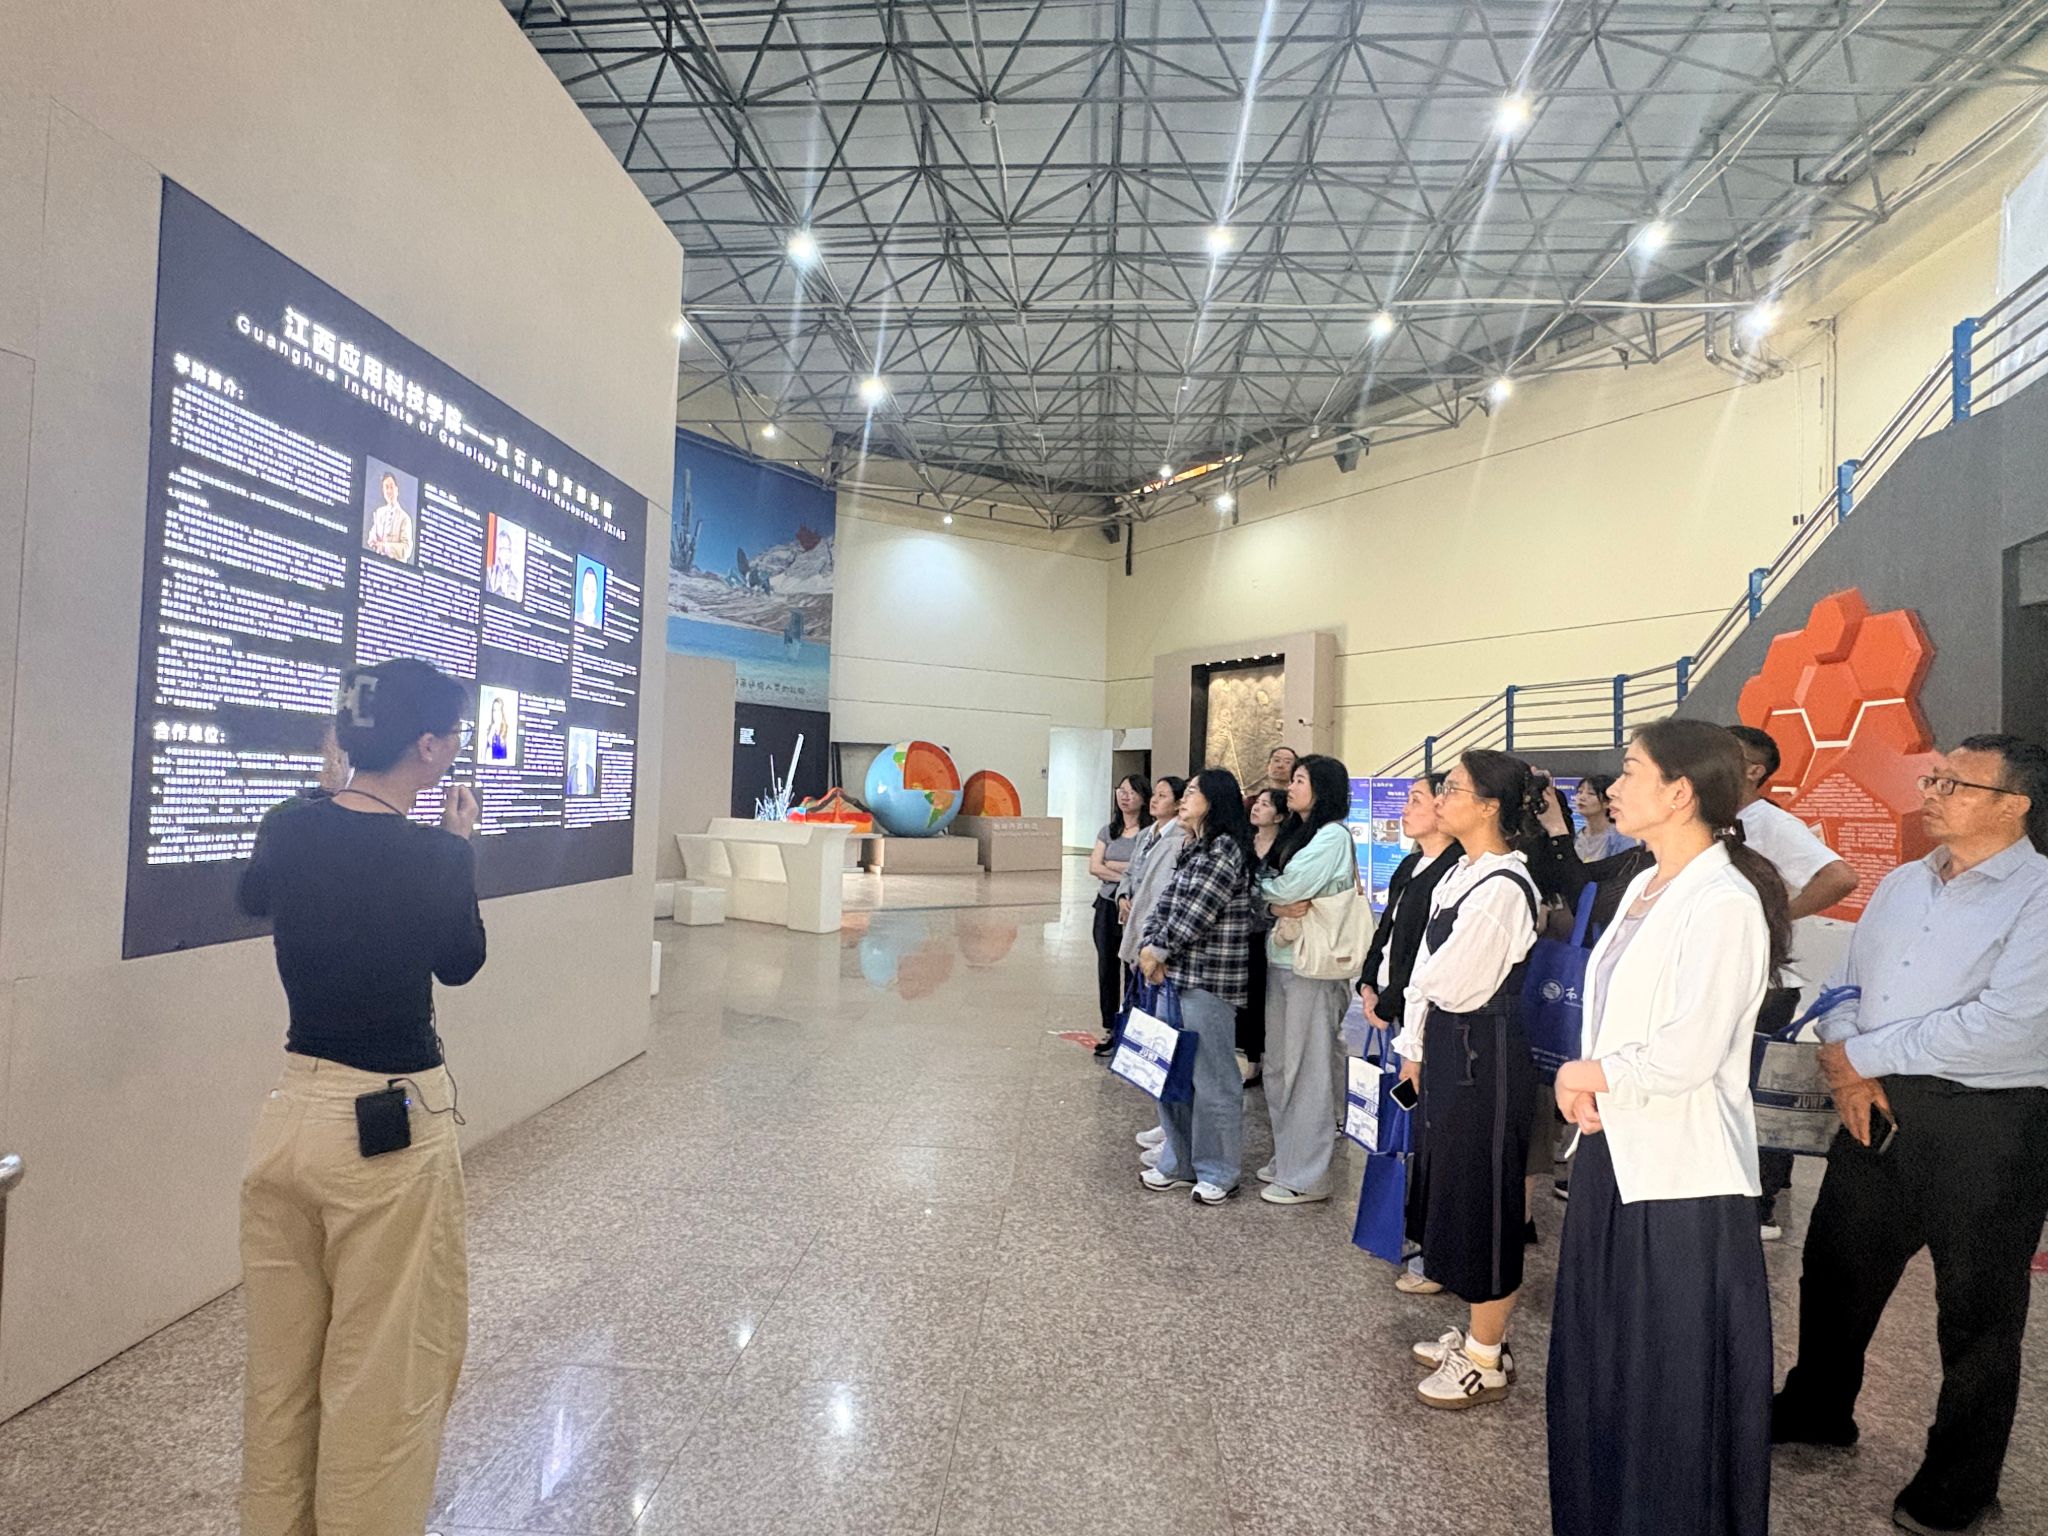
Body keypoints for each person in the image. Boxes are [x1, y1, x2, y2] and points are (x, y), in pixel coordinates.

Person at [1772, 735, 2048, 1536]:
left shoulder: (2037, 897)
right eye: (1933, 777)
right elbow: (1845, 984)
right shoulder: (1902, 882)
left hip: (1986, 1123)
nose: (1930, 792)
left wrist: (1861, 1057)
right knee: (1836, 1271)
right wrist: (1848, 1063)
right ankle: (1819, 1409)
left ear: (2013, 805)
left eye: (1954, 784)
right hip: (1872, 1103)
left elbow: (2007, 1025)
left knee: (1977, 1313)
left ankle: (1961, 1483)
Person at [236, 657, 486, 1536]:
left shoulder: (288, 826)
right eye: (452, 736)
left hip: (289, 1123)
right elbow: (461, 961)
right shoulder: (432, 856)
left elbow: (255, 894)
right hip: (386, 1138)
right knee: (383, 1387)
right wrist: (459, 847)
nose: (455, 749)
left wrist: (321, 790)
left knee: (281, 1383)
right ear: (428, 749)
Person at [1546, 719, 1788, 1536]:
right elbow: (1621, 1016)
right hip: (1616, 1147)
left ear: (1680, 792)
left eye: (1629, 771)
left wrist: (1589, 1075)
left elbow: (1689, 1049)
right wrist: (1593, 1085)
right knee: (1604, 1363)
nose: (1612, 788)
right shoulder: (1647, 882)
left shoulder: (1725, 902)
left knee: (1665, 1381)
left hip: (1682, 1177)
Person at [1393, 749, 1542, 1409]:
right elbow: (1425, 974)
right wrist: (1413, 1043)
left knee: (1485, 1197)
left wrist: (1418, 995)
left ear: (1489, 806)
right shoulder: (1462, 873)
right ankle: (1480, 1330)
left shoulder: (1505, 887)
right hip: (1451, 1048)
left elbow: (1451, 981)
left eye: (1452, 789)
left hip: (1486, 1054)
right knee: (1452, 1186)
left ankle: (1487, 1356)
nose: (1440, 799)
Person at [1726, 723, 1860, 1239]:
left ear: (1753, 770)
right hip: (1736, 975)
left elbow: (1840, 876)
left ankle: (1761, 1204)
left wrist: (1777, 917)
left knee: (1759, 1092)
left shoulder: (1769, 823)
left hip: (1767, 983)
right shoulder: (1721, 820)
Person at [1357, 773, 1461, 1295]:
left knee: (1428, 1127)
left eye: (1417, 799)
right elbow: (1388, 931)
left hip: (1426, 1015)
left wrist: (1392, 998)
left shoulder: (1455, 871)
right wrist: (1367, 982)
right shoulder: (1409, 864)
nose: (1406, 808)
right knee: (1404, 1120)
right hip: (1394, 1006)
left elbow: (1426, 952)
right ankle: (1408, 1227)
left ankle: (1435, 1243)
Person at [1136, 768, 1257, 1205]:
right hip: (1172, 977)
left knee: (1213, 1080)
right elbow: (1166, 903)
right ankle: (1179, 1161)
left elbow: (1197, 912)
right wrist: (1150, 945)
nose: (1183, 799)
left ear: (1214, 801)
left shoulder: (1225, 849)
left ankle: (1218, 1171)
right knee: (1172, 1075)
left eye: (1192, 793)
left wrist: (1158, 950)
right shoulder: (1193, 846)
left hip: (1207, 981)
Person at [1254, 754, 1359, 1204]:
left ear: (1323, 789)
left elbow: (1289, 886)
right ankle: (1288, 1156)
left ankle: (1309, 1175)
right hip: (1284, 959)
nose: (1291, 787)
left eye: (1300, 780)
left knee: (1308, 1068)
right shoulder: (1299, 832)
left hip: (1313, 967)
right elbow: (1271, 886)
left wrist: (1265, 895)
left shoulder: (1332, 836)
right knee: (1280, 1067)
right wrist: (1270, 901)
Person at [1122, 777, 1189, 1165]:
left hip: (1162, 951)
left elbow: (1168, 898)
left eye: (1165, 795)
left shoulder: (1182, 839)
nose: (1156, 800)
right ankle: (1166, 1124)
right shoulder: (1150, 834)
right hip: (1146, 939)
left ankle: (1175, 1136)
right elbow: (1133, 874)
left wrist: (1154, 948)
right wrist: (1124, 894)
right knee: (1155, 1035)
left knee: (1172, 1042)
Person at [1088, 774, 1148, 1054]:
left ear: (1144, 798)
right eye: (1121, 790)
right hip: (1106, 906)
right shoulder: (1108, 830)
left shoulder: (1148, 833)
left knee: (1132, 967)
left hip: (1135, 907)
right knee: (1107, 967)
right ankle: (1110, 1026)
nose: (1125, 796)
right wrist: (1125, 872)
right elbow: (1094, 866)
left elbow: (1144, 871)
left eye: (1132, 791)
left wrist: (1112, 866)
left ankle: (1132, 1026)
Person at [1238, 786, 1288, 1087]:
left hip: (1272, 932)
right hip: (1242, 929)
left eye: (1266, 805)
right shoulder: (1244, 843)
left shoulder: (1285, 850)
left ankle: (1263, 1059)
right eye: (1257, 803)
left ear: (1279, 816)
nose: (1257, 808)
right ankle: (1250, 1056)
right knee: (1245, 996)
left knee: (1264, 996)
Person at [1572, 773, 1635, 861]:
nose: (1581, 797)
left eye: (1591, 793)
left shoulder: (1623, 839)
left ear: (1608, 802)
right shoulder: (1577, 837)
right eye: (1580, 792)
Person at [364, 472, 416, 563]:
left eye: (391, 487)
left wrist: (384, 546)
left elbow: (406, 549)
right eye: (386, 487)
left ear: (397, 490)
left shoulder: (405, 518)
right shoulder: (379, 512)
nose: (389, 491)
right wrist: (373, 540)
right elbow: (372, 538)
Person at [485, 696, 513, 763]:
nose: (496, 714)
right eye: (494, 711)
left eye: (499, 710)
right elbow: (484, 758)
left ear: (502, 712)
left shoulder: (508, 730)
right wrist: (490, 735)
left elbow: (511, 759)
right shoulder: (489, 730)